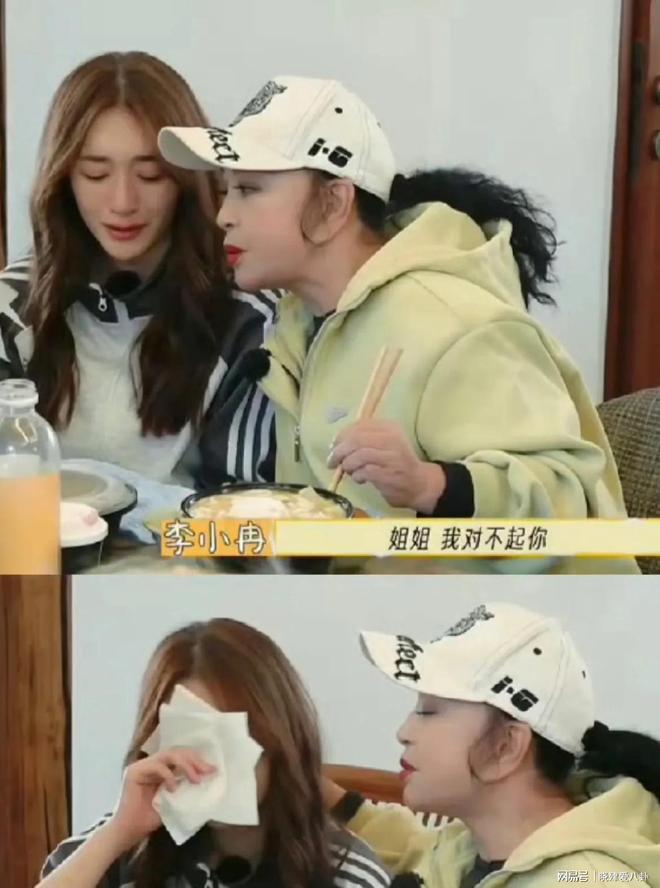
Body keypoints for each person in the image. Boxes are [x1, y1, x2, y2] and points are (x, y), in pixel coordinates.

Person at [157, 75, 638, 574]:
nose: (224, 216)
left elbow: (569, 502)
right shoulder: (298, 325)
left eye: (249, 190)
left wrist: (432, 485)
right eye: (226, 191)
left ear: (332, 204)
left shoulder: (457, 322)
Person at [0, 52, 278, 488]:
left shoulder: (249, 313)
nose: (123, 202)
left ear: (189, 180)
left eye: (151, 175)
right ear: (62, 180)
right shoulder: (12, 306)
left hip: (193, 533)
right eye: (95, 174)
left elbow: (246, 504)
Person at [323, 601, 660, 886]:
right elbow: (420, 851)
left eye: (428, 711)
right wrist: (325, 795)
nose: (404, 732)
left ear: (507, 746)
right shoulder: (473, 847)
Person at [36, 618, 391, 888]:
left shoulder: (345, 873)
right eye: (190, 735)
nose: (208, 764)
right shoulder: (116, 849)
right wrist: (118, 833)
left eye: (232, 735)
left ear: (277, 739)